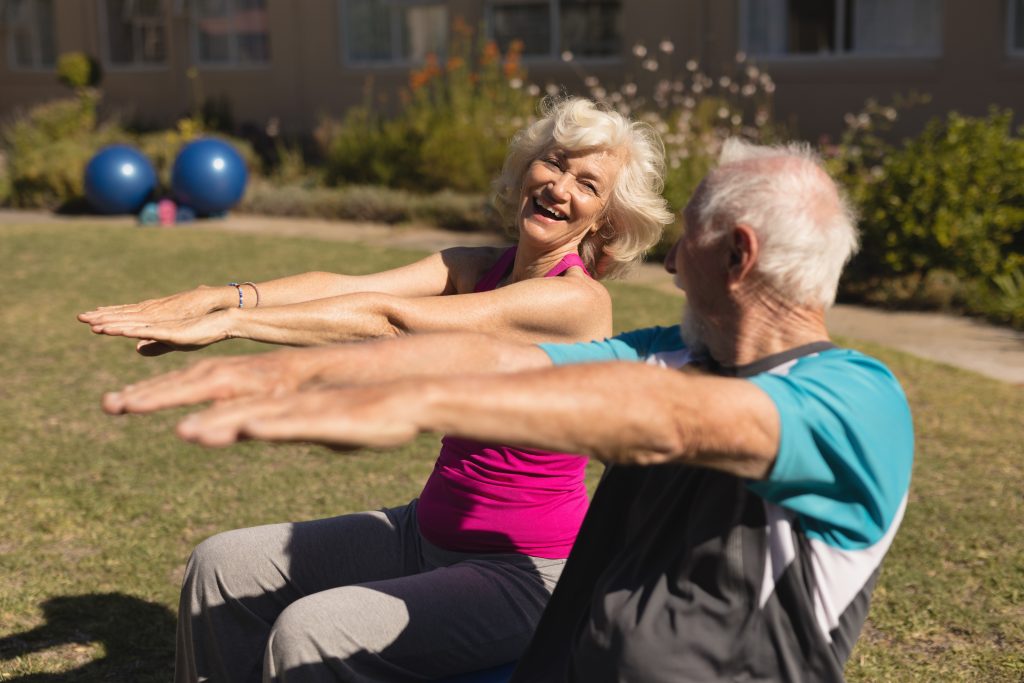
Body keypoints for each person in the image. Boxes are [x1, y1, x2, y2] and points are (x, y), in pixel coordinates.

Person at [104, 138, 915, 682]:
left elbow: (676, 416)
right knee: (226, 562)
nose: (669, 260)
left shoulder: (855, 399)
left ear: (737, 254)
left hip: (546, 594)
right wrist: (298, 369)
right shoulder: (681, 347)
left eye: (687, 239)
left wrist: (414, 397)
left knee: (313, 629)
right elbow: (503, 359)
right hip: (581, 654)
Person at [87, 97, 675, 683]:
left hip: (523, 575)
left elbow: (391, 320)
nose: (560, 186)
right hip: (423, 533)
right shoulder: (475, 267)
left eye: (588, 183)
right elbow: (349, 285)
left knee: (310, 630)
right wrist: (221, 295)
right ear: (527, 168)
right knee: (221, 565)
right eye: (554, 162)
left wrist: (231, 325)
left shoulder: (575, 302)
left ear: (604, 220)